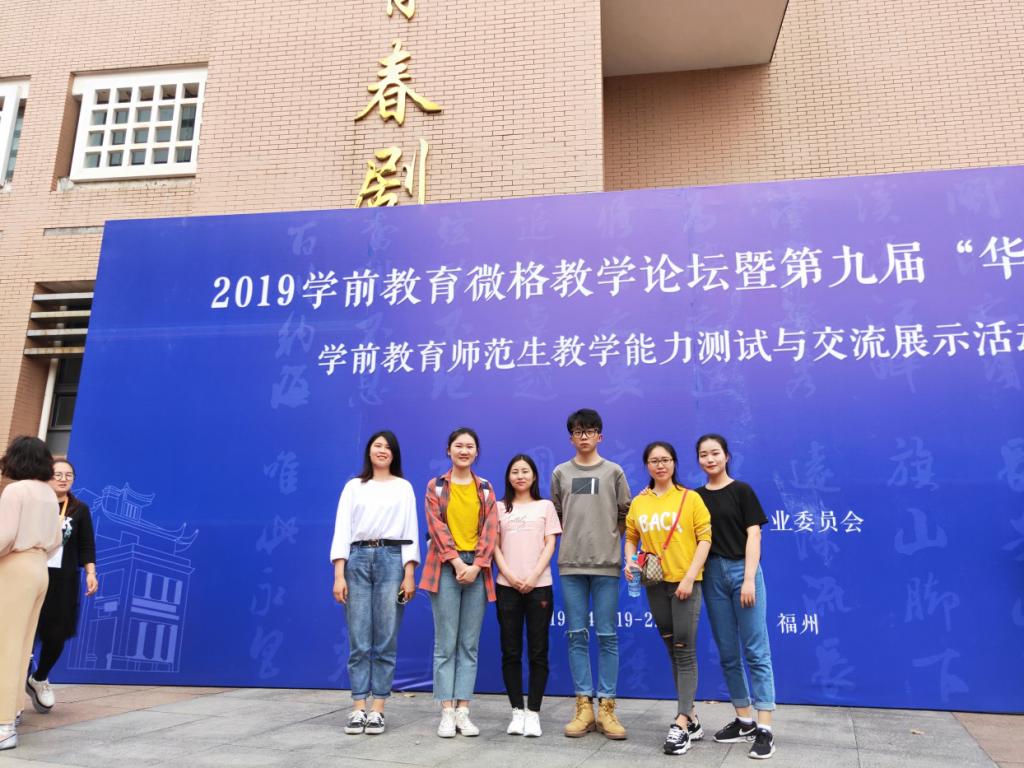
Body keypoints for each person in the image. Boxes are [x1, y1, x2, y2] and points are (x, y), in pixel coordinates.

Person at [624, 441, 712, 756]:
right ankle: (693, 718)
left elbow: (705, 539)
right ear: (647, 466)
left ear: (674, 463)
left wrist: (689, 577)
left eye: (665, 459)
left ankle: (681, 723)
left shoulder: (690, 498)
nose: (660, 465)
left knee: (684, 651)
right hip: (654, 584)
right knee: (672, 650)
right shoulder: (640, 502)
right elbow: (631, 536)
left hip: (686, 585)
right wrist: (629, 561)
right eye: (654, 461)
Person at [330, 431, 419, 736]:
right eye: (377, 445)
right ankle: (358, 707)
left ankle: (378, 708)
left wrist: (409, 572)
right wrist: (339, 573)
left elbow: (410, 531)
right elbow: (342, 529)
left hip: (391, 559)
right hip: (356, 559)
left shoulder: (403, 487)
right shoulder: (354, 486)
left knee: (386, 639)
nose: (382, 450)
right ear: (368, 451)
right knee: (359, 640)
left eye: (387, 447)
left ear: (394, 454)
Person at [550, 408, 631, 739]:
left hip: (606, 565)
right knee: (576, 635)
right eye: (578, 432)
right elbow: (556, 514)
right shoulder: (560, 473)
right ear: (571, 438)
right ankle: (583, 706)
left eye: (590, 431)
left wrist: (609, 541)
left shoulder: (614, 472)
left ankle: (607, 708)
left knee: (608, 636)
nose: (584, 437)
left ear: (600, 436)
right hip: (571, 564)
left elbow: (626, 513)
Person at [695, 434, 776, 760]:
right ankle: (744, 721)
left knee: (756, 651)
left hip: (744, 571)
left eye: (715, 453)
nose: (710, 459)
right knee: (728, 653)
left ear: (726, 456)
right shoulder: (695, 497)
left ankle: (765, 728)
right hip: (712, 575)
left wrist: (748, 579)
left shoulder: (742, 490)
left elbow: (754, 534)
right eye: (703, 454)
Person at [418, 427, 498, 738]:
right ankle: (446, 711)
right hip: (444, 566)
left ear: (476, 452)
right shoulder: (436, 486)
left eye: (470, 446)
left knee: (469, 644)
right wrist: (456, 562)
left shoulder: (486, 489)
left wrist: (476, 565)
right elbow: (435, 527)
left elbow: (491, 529)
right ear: (448, 450)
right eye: (458, 446)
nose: (464, 451)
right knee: (445, 644)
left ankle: (463, 711)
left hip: (477, 568)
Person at [493, 453, 561, 737]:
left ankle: (533, 712)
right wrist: (509, 575)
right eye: (515, 471)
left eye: (525, 471)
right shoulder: (498, 507)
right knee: (510, 651)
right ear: (508, 477)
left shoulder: (545, 506)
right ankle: (516, 712)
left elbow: (550, 544)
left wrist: (533, 576)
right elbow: (494, 546)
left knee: (538, 651)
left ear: (534, 476)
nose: (520, 476)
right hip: (506, 586)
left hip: (539, 586)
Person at [0, 437, 61, 751]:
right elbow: (56, 540)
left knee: (5, 645)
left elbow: (4, 536)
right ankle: (12, 712)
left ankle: (3, 725)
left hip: (14, 566)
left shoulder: (16, 491)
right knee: (21, 644)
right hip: (39, 568)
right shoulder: (49, 494)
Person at [26, 457, 98, 715]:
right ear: (47, 476)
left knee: (57, 634)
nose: (63, 479)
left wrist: (91, 572)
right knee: (24, 631)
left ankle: (39, 678)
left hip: (63, 580)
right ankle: (11, 692)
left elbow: (86, 544)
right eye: (58, 474)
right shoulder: (34, 505)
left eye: (68, 475)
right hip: (32, 575)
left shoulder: (79, 509)